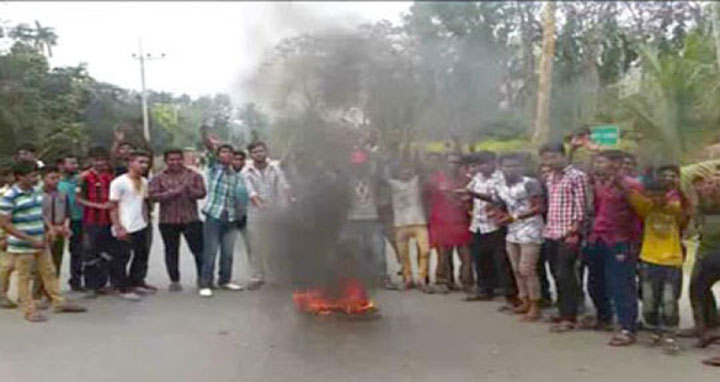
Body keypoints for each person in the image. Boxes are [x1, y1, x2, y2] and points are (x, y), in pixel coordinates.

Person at [0, 160, 86, 322]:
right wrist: (29, 239)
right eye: (32, 176)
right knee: (25, 277)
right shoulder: (10, 197)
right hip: (23, 245)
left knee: (49, 271)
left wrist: (50, 228)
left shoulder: (35, 192)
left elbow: (41, 213)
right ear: (20, 177)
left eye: (36, 175)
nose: (35, 179)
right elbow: (4, 223)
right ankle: (28, 309)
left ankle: (58, 302)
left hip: (41, 240)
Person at [622, 178, 685, 354]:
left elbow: (686, 210)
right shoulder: (646, 208)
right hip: (649, 259)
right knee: (649, 299)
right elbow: (628, 191)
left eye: (660, 195)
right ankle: (653, 330)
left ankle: (671, 334)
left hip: (672, 260)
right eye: (652, 196)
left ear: (666, 195)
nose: (656, 199)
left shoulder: (674, 208)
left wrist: (677, 189)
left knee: (669, 300)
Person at [585, 150, 641, 346]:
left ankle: (627, 328)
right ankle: (604, 318)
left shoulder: (632, 185)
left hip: (620, 240)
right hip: (598, 238)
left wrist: (634, 243)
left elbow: (639, 214)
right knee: (595, 282)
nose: (597, 165)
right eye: (597, 162)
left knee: (621, 285)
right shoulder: (601, 184)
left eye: (602, 162)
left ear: (616, 164)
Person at [539, 142, 589, 333]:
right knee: (555, 273)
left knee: (565, 274)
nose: (549, 161)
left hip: (569, 233)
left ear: (563, 155)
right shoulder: (550, 177)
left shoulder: (577, 176)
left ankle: (570, 316)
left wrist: (575, 231)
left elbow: (582, 206)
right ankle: (562, 311)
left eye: (553, 157)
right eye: (545, 158)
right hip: (551, 231)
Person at [492, 153, 545, 321]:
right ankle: (525, 300)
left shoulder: (530, 183)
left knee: (527, 269)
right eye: (507, 166)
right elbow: (500, 205)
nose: (512, 169)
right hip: (512, 231)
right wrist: (498, 215)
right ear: (500, 168)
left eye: (515, 166)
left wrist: (515, 217)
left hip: (531, 229)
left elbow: (539, 207)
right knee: (516, 269)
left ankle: (536, 306)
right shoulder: (499, 185)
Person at [464, 151, 518, 307]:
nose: (483, 167)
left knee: (501, 261)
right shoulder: (477, 178)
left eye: (486, 163)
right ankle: (484, 290)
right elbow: (468, 193)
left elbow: (497, 198)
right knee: (480, 259)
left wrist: (474, 194)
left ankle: (510, 294)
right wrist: (466, 200)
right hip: (478, 224)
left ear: (494, 163)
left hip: (495, 226)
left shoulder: (500, 178)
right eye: (480, 164)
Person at [149, 148, 207, 291]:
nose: (175, 162)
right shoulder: (158, 178)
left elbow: (202, 193)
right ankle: (174, 280)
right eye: (171, 160)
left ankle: (202, 278)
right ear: (166, 161)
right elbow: (153, 196)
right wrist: (172, 193)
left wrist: (189, 191)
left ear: (183, 159)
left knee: (198, 251)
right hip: (168, 220)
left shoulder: (194, 175)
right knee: (171, 251)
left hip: (191, 219)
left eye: (178, 159)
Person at [198, 126, 245, 297]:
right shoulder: (214, 170)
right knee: (210, 251)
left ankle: (225, 280)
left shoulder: (236, 175)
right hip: (214, 216)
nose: (226, 155)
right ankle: (205, 283)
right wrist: (206, 138)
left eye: (229, 153)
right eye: (223, 153)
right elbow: (209, 150)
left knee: (228, 252)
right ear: (218, 156)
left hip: (230, 217)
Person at [242, 140, 292, 290]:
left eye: (261, 151)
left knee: (274, 246)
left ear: (266, 151)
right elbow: (252, 194)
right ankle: (257, 277)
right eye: (255, 152)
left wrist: (288, 202)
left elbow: (284, 187)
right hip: (256, 214)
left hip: (276, 212)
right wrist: (263, 207)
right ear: (250, 154)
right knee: (256, 246)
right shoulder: (246, 172)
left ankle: (274, 277)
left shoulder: (275, 168)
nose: (259, 154)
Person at [342, 148, 392, 290]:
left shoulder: (373, 177)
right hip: (353, 219)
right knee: (359, 252)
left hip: (372, 218)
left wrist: (371, 150)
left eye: (361, 164)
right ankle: (364, 279)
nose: (359, 168)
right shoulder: (347, 180)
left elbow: (381, 169)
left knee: (378, 251)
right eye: (356, 165)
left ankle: (382, 277)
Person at [109, 150, 155, 299]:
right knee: (122, 258)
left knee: (141, 255)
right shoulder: (118, 182)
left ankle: (136, 282)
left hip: (140, 225)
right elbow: (113, 206)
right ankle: (121, 288)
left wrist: (146, 221)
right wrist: (118, 227)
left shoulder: (144, 181)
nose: (144, 165)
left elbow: (143, 203)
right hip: (124, 225)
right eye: (140, 162)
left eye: (146, 163)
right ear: (130, 163)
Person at [76, 147, 121, 299]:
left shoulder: (111, 177)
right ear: (90, 161)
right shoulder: (84, 177)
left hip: (109, 220)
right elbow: (78, 199)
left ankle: (104, 283)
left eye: (103, 160)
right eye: (96, 160)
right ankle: (90, 286)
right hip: (91, 221)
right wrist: (99, 206)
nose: (100, 163)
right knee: (90, 253)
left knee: (108, 253)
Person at [426, 153, 473, 294]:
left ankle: (467, 282)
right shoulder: (434, 180)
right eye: (450, 162)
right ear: (444, 163)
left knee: (466, 256)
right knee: (443, 255)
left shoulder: (467, 181)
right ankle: (444, 281)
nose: (453, 165)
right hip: (441, 222)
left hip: (462, 223)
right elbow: (425, 199)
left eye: (457, 162)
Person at [683, 174, 720, 350]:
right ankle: (704, 327)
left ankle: (713, 331)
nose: (712, 187)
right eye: (710, 183)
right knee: (697, 289)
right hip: (705, 254)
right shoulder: (704, 205)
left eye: (718, 184)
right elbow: (694, 227)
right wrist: (697, 196)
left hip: (716, 254)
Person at [388, 162, 431, 292]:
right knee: (403, 255)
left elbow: (424, 170)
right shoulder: (392, 184)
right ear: (397, 173)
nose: (406, 173)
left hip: (419, 222)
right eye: (403, 171)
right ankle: (408, 279)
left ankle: (422, 278)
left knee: (425, 251)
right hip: (400, 224)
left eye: (408, 170)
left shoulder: (416, 182)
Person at [32, 165, 71, 302]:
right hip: (43, 232)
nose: (56, 181)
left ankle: (51, 292)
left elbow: (67, 213)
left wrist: (65, 227)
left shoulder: (62, 194)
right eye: (52, 178)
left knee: (56, 261)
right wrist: (50, 228)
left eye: (57, 178)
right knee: (42, 265)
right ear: (43, 179)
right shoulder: (37, 195)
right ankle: (36, 294)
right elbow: (39, 214)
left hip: (59, 230)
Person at [58, 153, 85, 291]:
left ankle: (76, 280)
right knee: (55, 253)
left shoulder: (79, 180)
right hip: (59, 222)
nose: (75, 166)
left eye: (76, 163)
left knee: (78, 251)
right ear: (61, 166)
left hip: (79, 219)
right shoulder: (56, 183)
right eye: (71, 163)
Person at [0, 165, 16, 308]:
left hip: (20, 233)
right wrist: (3, 236)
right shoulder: (3, 194)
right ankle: (2, 294)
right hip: (5, 234)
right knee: (7, 266)